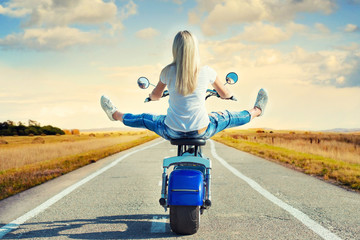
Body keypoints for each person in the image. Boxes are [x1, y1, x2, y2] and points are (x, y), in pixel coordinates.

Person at [100, 30, 268, 141]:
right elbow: (225, 94)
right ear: (195, 49)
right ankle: (257, 110)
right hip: (202, 130)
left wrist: (150, 97)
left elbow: (156, 96)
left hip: (172, 130)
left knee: (143, 118)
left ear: (175, 49)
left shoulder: (167, 72)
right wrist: (230, 95)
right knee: (230, 116)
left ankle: (114, 114)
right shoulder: (207, 71)